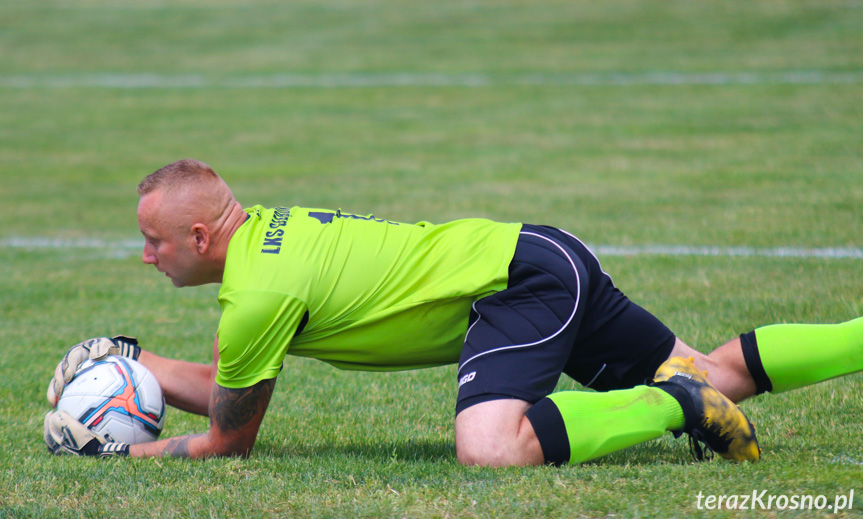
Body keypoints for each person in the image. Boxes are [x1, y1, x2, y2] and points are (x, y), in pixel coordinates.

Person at [44, 159, 862, 465]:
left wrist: (116, 451)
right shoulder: (264, 243)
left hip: (519, 287)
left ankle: (670, 403)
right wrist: (131, 362)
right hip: (539, 253)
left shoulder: (258, 295)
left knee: (489, 447)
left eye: (154, 242)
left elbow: (231, 435)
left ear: (197, 233)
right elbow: (229, 377)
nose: (147, 257)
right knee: (718, 368)